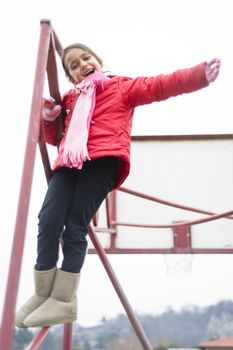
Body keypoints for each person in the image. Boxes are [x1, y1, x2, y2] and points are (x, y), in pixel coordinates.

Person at [15, 43, 221, 328]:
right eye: (74, 65)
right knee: (47, 219)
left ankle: (63, 299)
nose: (82, 65)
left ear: (98, 60)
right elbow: (54, 138)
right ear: (72, 77)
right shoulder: (71, 99)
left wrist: (198, 76)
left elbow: (160, 85)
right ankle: (42, 291)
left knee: (75, 223)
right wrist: (49, 118)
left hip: (103, 161)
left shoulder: (120, 87)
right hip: (70, 163)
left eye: (86, 58)